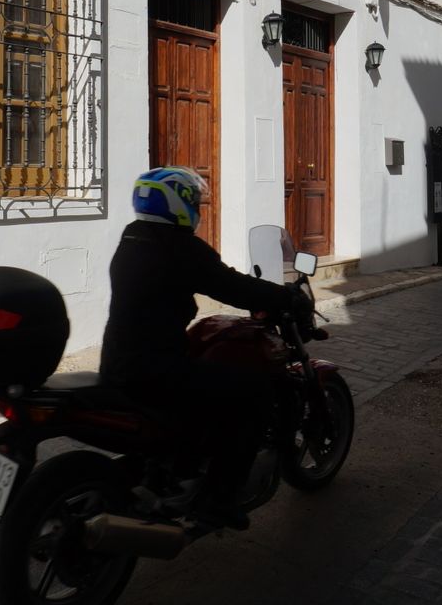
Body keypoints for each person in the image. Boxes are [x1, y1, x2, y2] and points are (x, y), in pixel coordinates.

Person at [100, 166, 310, 531]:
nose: (197, 207)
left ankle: (183, 465)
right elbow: (229, 285)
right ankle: (219, 499)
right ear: (177, 204)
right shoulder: (179, 247)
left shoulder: (134, 236)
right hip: (156, 370)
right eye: (193, 201)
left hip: (121, 364)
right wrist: (285, 295)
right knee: (253, 392)